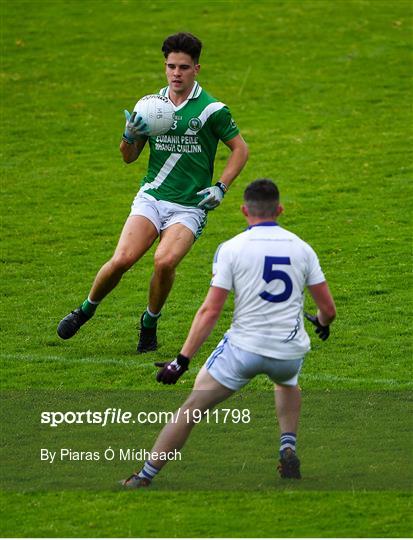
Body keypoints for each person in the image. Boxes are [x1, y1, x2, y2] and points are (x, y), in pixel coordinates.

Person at [122, 178, 336, 488]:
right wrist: (321, 322)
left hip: (243, 350)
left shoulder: (232, 248)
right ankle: (287, 446)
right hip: (289, 350)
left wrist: (181, 360)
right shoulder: (302, 249)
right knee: (287, 381)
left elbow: (210, 310)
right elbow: (327, 309)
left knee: (192, 408)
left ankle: (143, 476)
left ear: (244, 210)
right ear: (280, 210)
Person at [57, 32, 249, 352]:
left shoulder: (212, 109)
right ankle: (85, 310)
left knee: (163, 262)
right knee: (122, 259)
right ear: (165, 67)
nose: (177, 73)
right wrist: (128, 136)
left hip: (190, 205)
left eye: (184, 67)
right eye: (171, 66)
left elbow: (240, 149)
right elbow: (129, 158)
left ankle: (149, 322)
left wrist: (221, 187)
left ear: (196, 69)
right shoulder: (149, 106)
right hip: (153, 197)